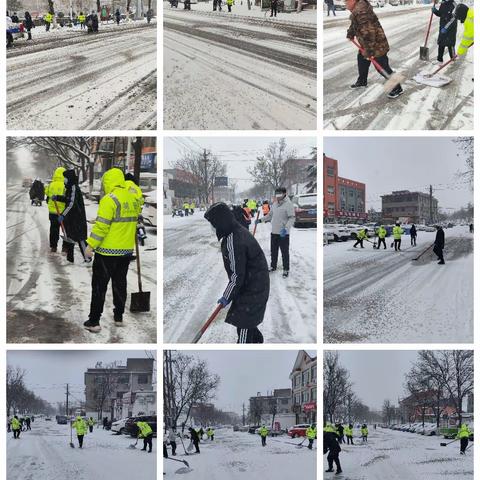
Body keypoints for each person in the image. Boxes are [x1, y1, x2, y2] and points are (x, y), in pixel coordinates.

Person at [83, 168, 139, 333]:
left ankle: (94, 321)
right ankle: (119, 317)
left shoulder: (109, 200)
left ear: (108, 182)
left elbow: (101, 226)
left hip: (107, 252)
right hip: (125, 252)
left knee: (100, 287)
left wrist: (90, 245)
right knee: (120, 284)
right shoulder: (133, 199)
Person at [205, 203, 269, 343]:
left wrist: (226, 296)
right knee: (247, 323)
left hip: (253, 289)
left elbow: (237, 275)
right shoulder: (235, 232)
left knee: (244, 324)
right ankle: (257, 342)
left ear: (220, 222)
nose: (212, 227)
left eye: (213, 223)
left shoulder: (234, 240)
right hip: (254, 284)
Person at [346, 0, 403, 99]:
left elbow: (369, 33)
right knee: (362, 60)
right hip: (367, 44)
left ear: (353, 1)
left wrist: (369, 51)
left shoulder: (362, 13)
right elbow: (354, 25)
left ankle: (397, 88)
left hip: (376, 45)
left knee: (382, 67)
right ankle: (362, 81)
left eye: (346, 1)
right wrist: (350, 33)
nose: (345, 4)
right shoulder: (357, 10)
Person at [256, 187, 295, 278]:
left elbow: (292, 218)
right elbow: (270, 215)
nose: (277, 196)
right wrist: (261, 220)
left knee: (284, 252)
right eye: (276, 194)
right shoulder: (274, 204)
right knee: (274, 251)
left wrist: (286, 228)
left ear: (284, 193)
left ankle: (286, 269)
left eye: (279, 194)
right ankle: (273, 266)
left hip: (283, 233)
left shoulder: (288, 204)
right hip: (274, 232)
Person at [61, 169, 89, 264]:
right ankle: (70, 259)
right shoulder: (70, 187)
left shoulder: (73, 188)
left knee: (81, 239)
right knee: (70, 238)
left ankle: (88, 258)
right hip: (72, 218)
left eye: (65, 178)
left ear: (69, 178)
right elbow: (68, 199)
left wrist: (63, 214)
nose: (64, 180)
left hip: (77, 218)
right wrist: (58, 197)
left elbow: (71, 203)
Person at [45, 167, 67, 253]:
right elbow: (66, 197)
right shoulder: (65, 185)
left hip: (52, 212)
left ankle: (53, 246)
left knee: (54, 229)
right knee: (65, 229)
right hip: (63, 213)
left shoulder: (51, 184)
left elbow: (47, 193)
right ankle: (65, 247)